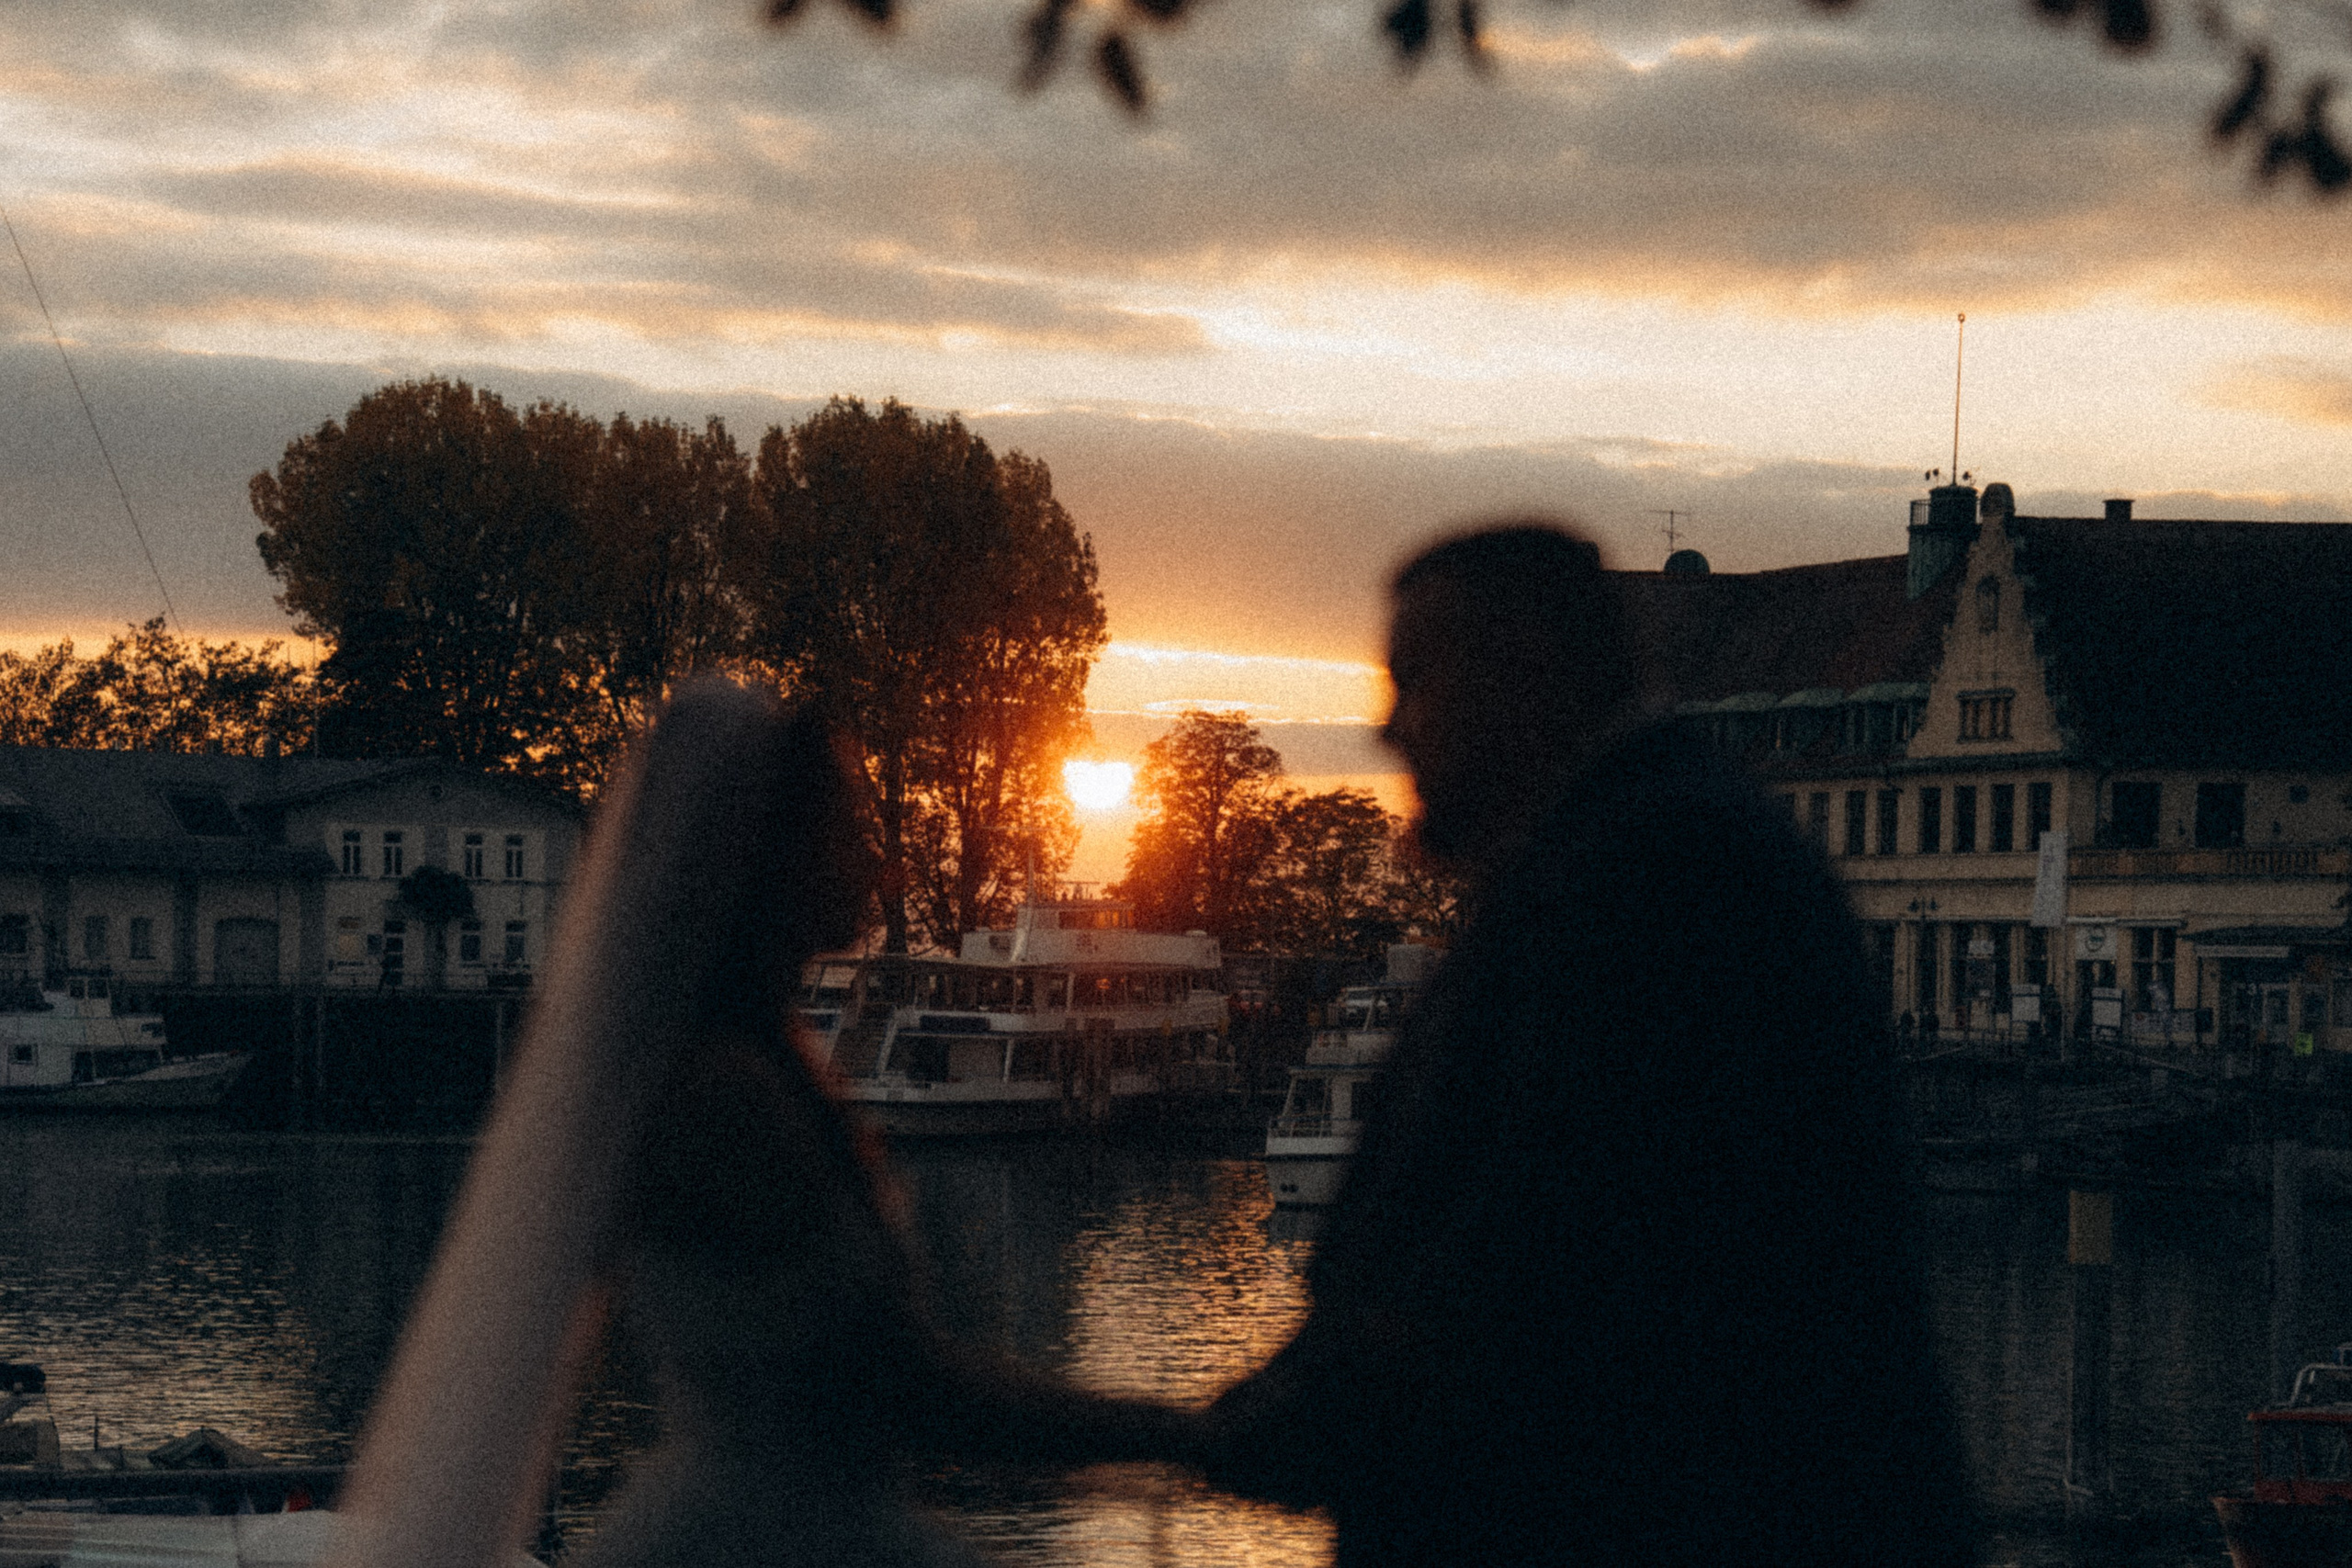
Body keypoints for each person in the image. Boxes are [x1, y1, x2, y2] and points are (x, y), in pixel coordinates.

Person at [1198, 523, 1975, 1566]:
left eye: (1414, 680)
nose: (1390, 730)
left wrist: (1310, 1399)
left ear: (1521, 671)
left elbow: (1528, 1285)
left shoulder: (1651, 883)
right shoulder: (1640, 854)